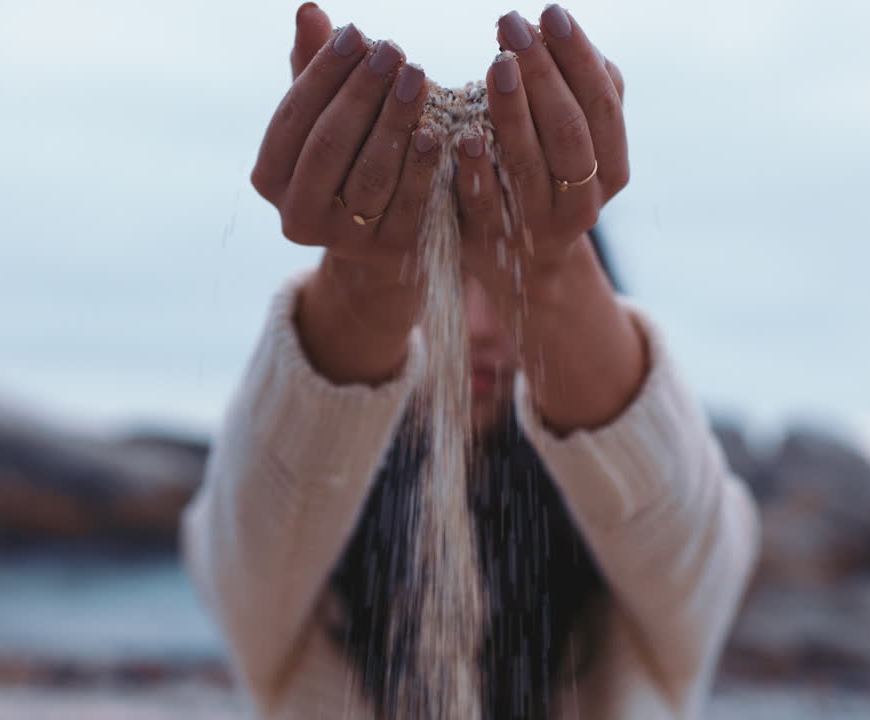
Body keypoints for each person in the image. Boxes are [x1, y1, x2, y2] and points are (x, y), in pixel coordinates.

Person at [181, 4, 760, 719]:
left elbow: (684, 537)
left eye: (499, 286)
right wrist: (368, 278)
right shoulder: (301, 553)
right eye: (445, 282)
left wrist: (548, 272)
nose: (480, 329)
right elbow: (246, 550)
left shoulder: (647, 582)